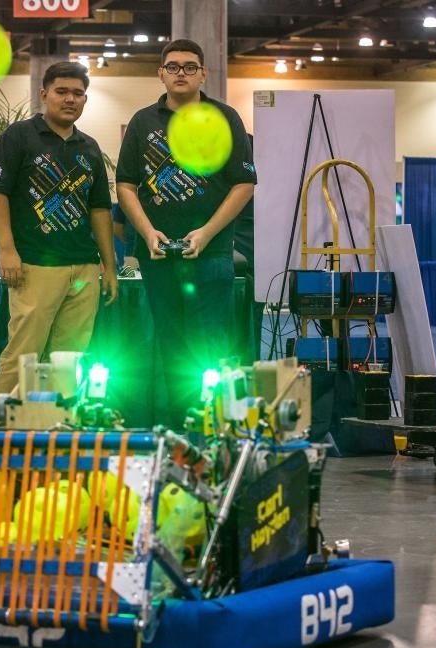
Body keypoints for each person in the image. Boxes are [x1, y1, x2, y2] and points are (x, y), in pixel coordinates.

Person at [116, 39, 257, 423]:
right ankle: (178, 426)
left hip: (210, 255)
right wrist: (146, 232)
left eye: (190, 66)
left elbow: (243, 184)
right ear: (160, 73)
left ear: (204, 73)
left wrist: (208, 232)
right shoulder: (143, 122)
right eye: (173, 66)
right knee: (170, 343)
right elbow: (126, 184)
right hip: (159, 256)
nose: (181, 72)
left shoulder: (226, 118)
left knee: (210, 346)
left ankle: (214, 425)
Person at [0, 61, 118, 405]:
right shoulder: (18, 137)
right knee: (23, 353)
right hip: (34, 265)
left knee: (69, 359)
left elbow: (100, 209)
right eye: (61, 91)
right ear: (44, 94)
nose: (70, 99)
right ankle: (3, 428)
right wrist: (8, 251)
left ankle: (57, 424)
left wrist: (109, 265)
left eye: (78, 93)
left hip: (83, 268)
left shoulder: (89, 147)